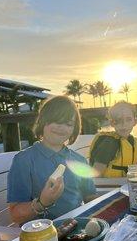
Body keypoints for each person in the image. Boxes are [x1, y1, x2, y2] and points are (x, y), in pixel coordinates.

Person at [7, 96, 96, 225]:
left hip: (77, 227)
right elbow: (15, 215)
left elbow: (89, 196)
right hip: (42, 233)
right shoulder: (24, 161)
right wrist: (42, 202)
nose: (62, 128)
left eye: (68, 124)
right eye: (57, 121)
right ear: (43, 121)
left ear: (74, 129)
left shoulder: (80, 160)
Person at [89, 101, 137, 177]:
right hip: (108, 187)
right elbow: (95, 175)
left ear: (135, 122)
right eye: (119, 120)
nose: (124, 124)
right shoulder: (109, 144)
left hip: (128, 185)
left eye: (128, 119)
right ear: (112, 123)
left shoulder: (135, 143)